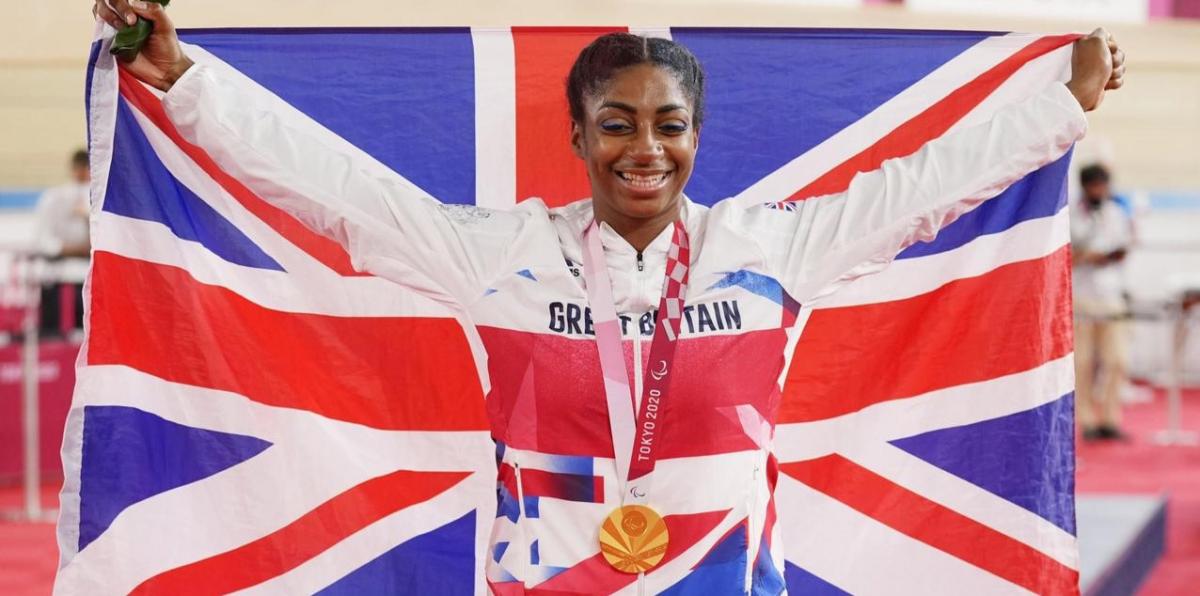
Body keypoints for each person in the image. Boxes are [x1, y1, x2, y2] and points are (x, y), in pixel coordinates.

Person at [93, 0, 1125, 591]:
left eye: (668, 123)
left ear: (695, 137)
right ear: (581, 136)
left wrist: (1061, 105)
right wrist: (185, 78)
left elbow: (925, 188)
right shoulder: (500, 256)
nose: (646, 147)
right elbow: (336, 190)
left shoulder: (768, 247)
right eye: (618, 122)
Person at [1071, 164, 1134, 441]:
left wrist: (1112, 256)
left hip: (1111, 295)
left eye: (1103, 185)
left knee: (1117, 360)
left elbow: (1125, 247)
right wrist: (1087, 256)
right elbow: (1064, 255)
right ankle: (1086, 421)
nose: (1100, 190)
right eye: (1094, 185)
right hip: (1081, 296)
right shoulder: (1070, 215)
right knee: (1082, 363)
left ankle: (1110, 419)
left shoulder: (1117, 213)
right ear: (1085, 186)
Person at [33, 148, 91, 336]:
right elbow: (43, 241)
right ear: (76, 169)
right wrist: (73, 250)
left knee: (84, 333)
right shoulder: (53, 198)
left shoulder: (98, 198)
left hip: (86, 275)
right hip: (56, 274)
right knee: (52, 334)